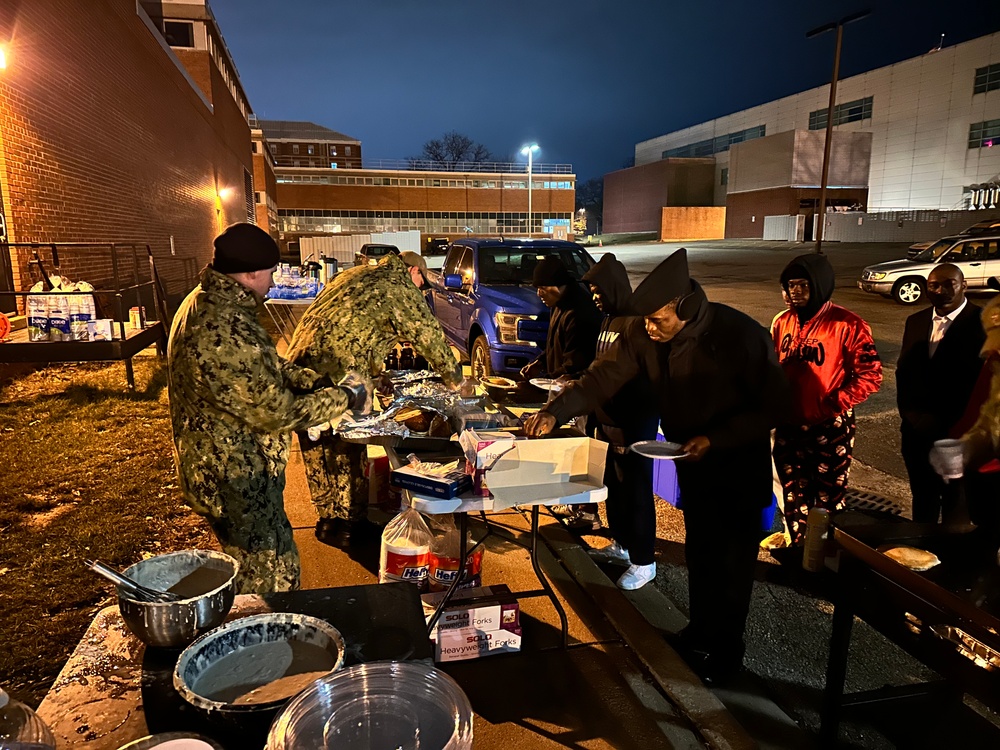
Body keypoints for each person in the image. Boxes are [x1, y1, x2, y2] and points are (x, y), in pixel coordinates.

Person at [525, 249, 789, 680]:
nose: (649, 328)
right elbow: (601, 376)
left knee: (732, 568)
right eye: (645, 321)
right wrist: (558, 409)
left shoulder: (740, 334)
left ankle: (726, 657)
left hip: (738, 470)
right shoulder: (646, 335)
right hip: (694, 466)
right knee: (700, 556)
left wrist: (717, 438)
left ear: (684, 307)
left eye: (657, 320)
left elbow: (777, 406)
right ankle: (698, 633)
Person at [168, 223, 362, 593]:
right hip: (235, 476)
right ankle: (265, 643)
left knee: (255, 570)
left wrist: (312, 380)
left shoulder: (210, 302)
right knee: (271, 582)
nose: (273, 283)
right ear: (251, 271)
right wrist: (347, 397)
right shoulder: (222, 326)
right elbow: (278, 411)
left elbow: (261, 365)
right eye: (271, 273)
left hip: (226, 467)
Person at [285, 251, 463, 548]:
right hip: (337, 375)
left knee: (316, 448)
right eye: (421, 282)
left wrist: (374, 370)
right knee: (346, 449)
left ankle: (327, 520)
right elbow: (429, 336)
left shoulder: (352, 274)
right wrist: (456, 379)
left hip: (299, 366)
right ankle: (349, 526)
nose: (420, 290)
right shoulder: (399, 286)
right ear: (413, 272)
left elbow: (354, 326)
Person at [771, 254, 882, 547]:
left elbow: (871, 375)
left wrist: (832, 404)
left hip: (829, 426)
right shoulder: (782, 323)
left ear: (819, 284)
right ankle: (798, 546)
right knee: (793, 492)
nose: (795, 292)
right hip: (788, 424)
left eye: (803, 285)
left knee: (827, 496)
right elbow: (770, 367)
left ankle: (825, 553)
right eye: (790, 285)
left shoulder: (847, 324)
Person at [579, 254, 660, 588]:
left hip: (632, 426)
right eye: (593, 291)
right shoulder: (608, 320)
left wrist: (629, 426)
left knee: (636, 492)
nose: (595, 297)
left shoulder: (635, 323)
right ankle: (623, 545)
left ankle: (644, 561)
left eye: (599, 291)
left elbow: (642, 381)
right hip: (606, 423)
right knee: (613, 489)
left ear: (614, 287)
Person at [897, 264, 984, 523]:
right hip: (916, 432)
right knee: (922, 499)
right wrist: (912, 417)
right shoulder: (916, 321)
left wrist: (950, 425)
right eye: (933, 285)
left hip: (958, 434)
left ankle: (952, 558)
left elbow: (981, 386)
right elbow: (904, 374)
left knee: (956, 505)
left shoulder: (982, 325)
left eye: (949, 284)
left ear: (964, 286)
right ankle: (921, 552)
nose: (941, 290)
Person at [520, 256, 601, 381]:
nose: (538, 294)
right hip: (559, 387)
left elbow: (575, 364)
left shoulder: (578, 313)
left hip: (573, 391)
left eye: (543, 288)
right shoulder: (558, 304)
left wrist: (543, 382)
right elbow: (555, 345)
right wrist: (540, 362)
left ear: (558, 286)